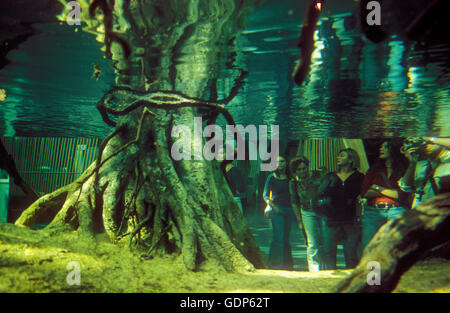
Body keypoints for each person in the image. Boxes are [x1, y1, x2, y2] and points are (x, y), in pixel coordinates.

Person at [316, 148, 364, 270]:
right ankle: (328, 282)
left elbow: (363, 196)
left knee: (351, 255)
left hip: (351, 220)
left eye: (342, 155)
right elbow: (319, 195)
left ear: (351, 159)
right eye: (338, 155)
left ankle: (350, 284)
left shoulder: (360, 177)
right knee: (328, 254)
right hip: (331, 220)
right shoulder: (330, 176)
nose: (338, 157)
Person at [360, 139, 410, 255]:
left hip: (397, 210)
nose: (381, 149)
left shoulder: (403, 169)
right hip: (374, 211)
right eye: (381, 147)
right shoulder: (374, 170)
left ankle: (393, 272)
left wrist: (378, 188)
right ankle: (373, 273)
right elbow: (365, 192)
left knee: (397, 245)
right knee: (369, 246)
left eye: (385, 147)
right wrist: (392, 193)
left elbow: (402, 195)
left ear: (394, 149)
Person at [289, 156, 326, 272]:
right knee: (312, 242)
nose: (302, 171)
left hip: (323, 211)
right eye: (299, 169)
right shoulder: (293, 182)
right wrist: (299, 221)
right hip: (307, 212)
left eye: (304, 168)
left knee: (326, 240)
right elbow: (295, 202)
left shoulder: (318, 175)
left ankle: (327, 267)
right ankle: (314, 269)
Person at [263, 155, 296, 270]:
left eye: (282, 161)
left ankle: (288, 264)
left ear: (286, 163)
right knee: (278, 237)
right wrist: (273, 207)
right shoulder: (271, 177)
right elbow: (265, 195)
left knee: (286, 238)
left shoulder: (291, 177)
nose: (280, 163)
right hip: (277, 209)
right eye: (277, 161)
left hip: (289, 210)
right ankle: (274, 264)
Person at [399, 137, 450, 208]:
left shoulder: (447, 160)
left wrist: (431, 138)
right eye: (423, 143)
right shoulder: (420, 164)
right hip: (422, 208)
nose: (426, 145)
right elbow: (406, 187)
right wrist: (412, 163)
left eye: (430, 143)